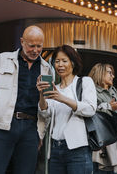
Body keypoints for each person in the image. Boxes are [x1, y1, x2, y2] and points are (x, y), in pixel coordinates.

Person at [0, 25, 52, 174]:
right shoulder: (3, 59)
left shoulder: (46, 68)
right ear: (22, 42)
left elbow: (46, 107)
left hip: (31, 129)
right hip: (2, 127)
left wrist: (40, 134)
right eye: (31, 46)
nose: (35, 50)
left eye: (39, 46)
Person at [37, 45, 97, 174]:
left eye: (64, 61)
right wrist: (42, 94)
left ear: (73, 63)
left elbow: (90, 109)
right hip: (55, 148)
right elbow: (45, 112)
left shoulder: (84, 82)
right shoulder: (55, 87)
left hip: (78, 148)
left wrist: (62, 98)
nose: (60, 65)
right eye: (57, 61)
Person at [89, 63, 117, 173]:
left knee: (115, 170)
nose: (113, 76)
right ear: (100, 73)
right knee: (102, 170)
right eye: (109, 73)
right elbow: (90, 111)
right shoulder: (91, 90)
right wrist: (109, 107)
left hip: (115, 137)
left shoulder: (113, 90)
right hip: (101, 139)